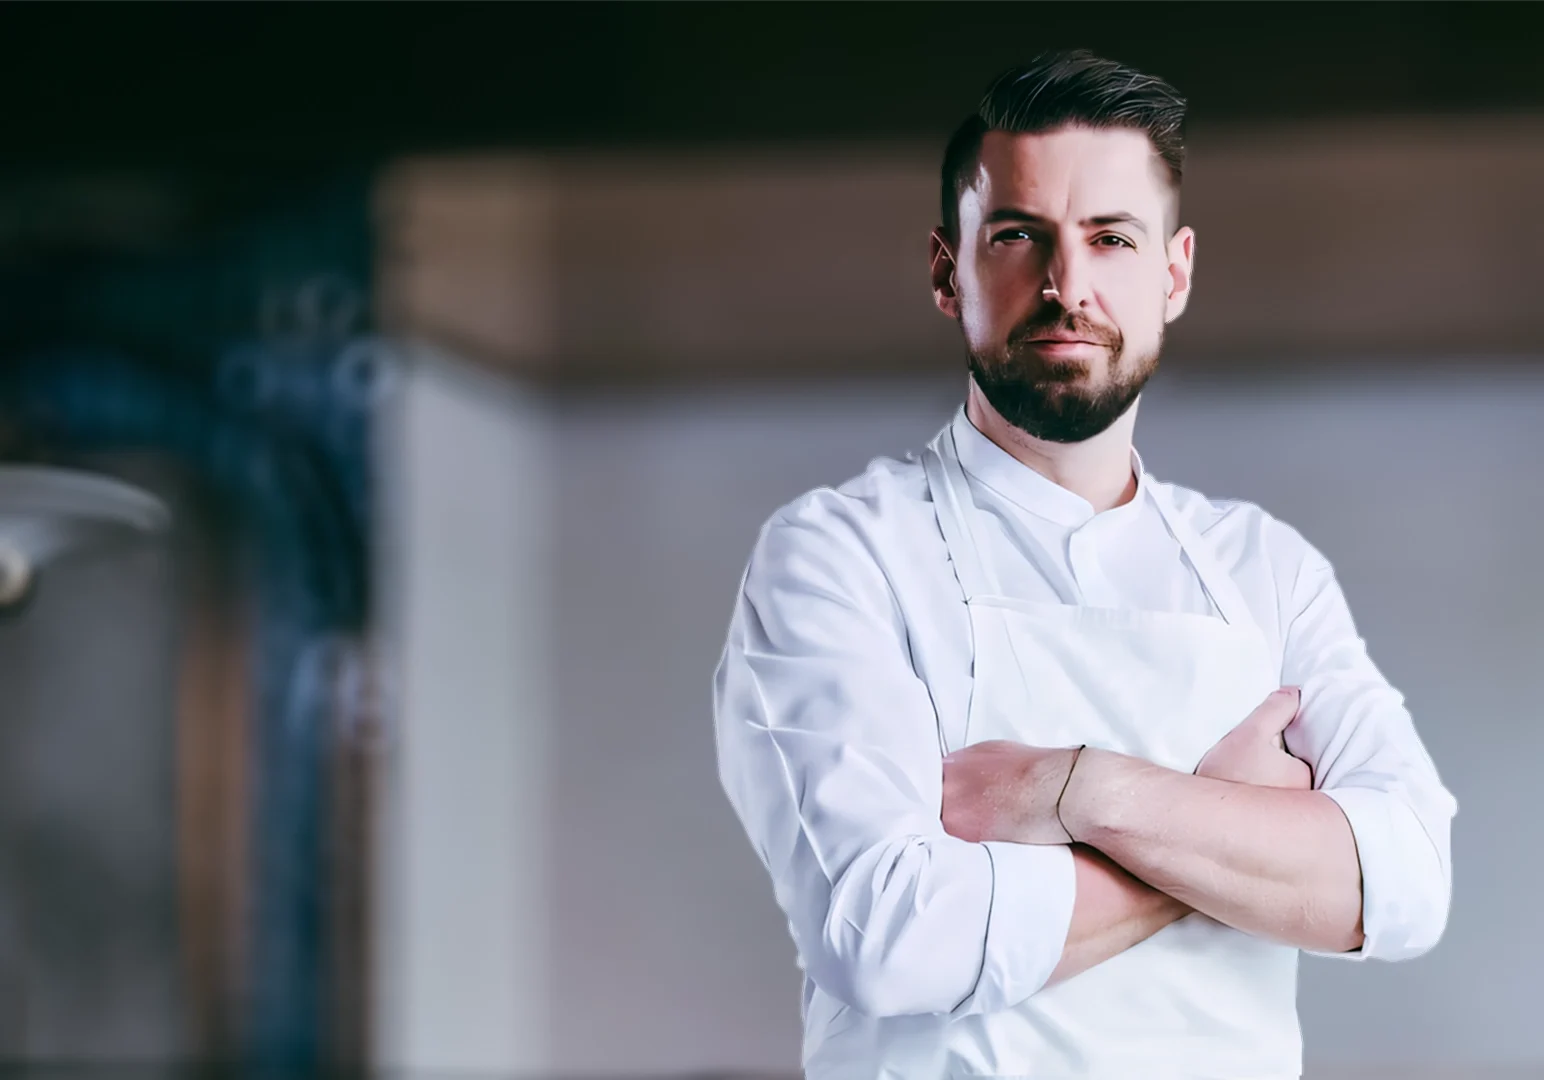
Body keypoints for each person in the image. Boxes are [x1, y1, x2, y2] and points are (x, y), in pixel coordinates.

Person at [711, 49, 1457, 1079]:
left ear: (1173, 271)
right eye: (1018, 236)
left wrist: (1083, 790)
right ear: (946, 270)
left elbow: (1406, 884)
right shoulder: (841, 553)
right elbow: (883, 938)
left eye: (1111, 238)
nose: (1067, 284)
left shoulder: (1264, 569)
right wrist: (1228, 827)